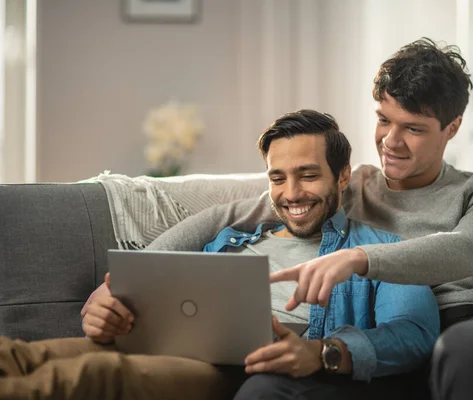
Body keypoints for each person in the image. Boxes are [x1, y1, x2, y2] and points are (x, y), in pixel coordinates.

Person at [118, 38, 473, 400]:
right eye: (384, 119)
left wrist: (357, 259)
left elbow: (467, 250)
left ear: (452, 128)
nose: (390, 141)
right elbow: (230, 215)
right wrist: (129, 281)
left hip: (470, 329)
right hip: (380, 335)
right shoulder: (354, 185)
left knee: (464, 349)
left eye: (413, 129)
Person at [0, 110, 439, 400]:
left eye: (307, 175)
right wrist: (110, 314)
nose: (291, 194)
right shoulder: (232, 239)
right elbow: (165, 303)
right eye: (278, 178)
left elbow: (415, 334)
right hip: (166, 346)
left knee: (89, 380)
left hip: (241, 369)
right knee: (20, 355)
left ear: (342, 176)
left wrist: (324, 352)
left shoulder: (378, 252)